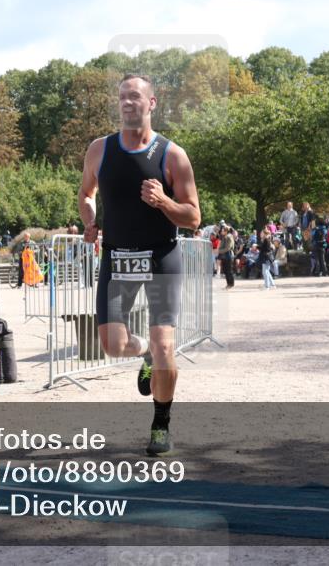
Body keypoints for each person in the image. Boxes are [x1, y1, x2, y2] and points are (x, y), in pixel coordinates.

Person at [78, 74, 201, 457]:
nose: (127, 103)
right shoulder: (99, 150)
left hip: (161, 256)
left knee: (167, 346)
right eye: (122, 98)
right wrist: (89, 220)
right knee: (112, 346)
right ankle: (143, 350)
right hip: (117, 257)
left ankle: (161, 423)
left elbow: (193, 217)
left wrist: (164, 202)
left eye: (135, 97)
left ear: (152, 103)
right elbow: (86, 193)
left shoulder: (172, 155)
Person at [217, 225, 235, 289]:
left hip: (228, 255)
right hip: (225, 256)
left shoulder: (228, 237)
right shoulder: (225, 237)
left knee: (229, 271)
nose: (221, 232)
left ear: (226, 231)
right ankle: (228, 284)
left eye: (222, 231)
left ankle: (231, 284)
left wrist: (219, 251)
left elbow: (228, 248)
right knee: (225, 270)